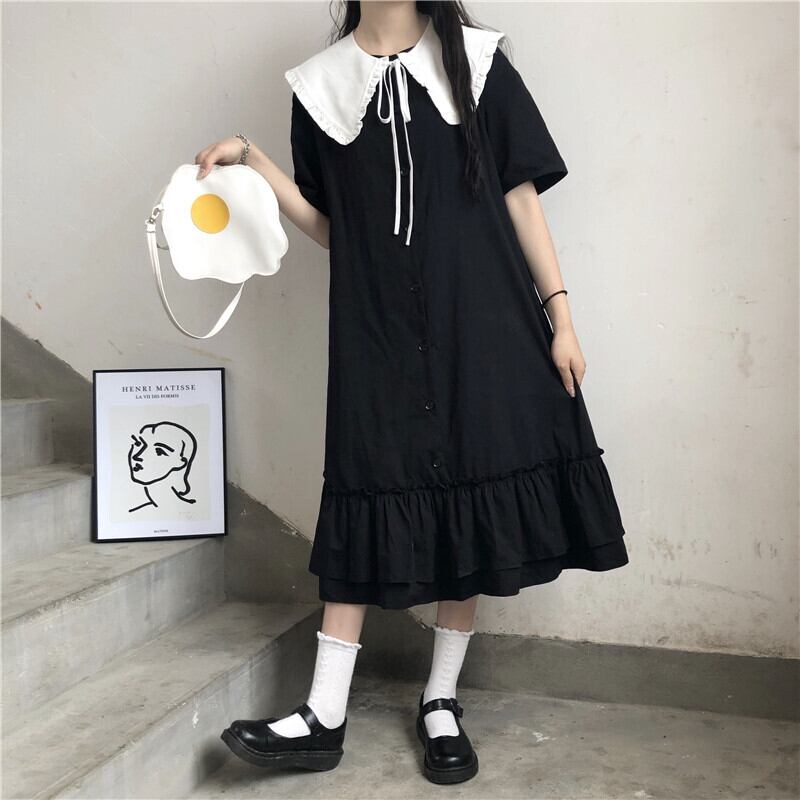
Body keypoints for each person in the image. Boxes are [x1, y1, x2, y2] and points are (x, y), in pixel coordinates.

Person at [198, 1, 629, 785]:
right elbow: (335, 228)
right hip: (378, 327)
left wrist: (561, 318)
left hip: (484, 319)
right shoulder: (320, 87)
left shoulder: (477, 62)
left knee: (467, 493)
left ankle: (440, 700)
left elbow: (520, 197)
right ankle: (323, 714)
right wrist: (254, 161)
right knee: (365, 481)